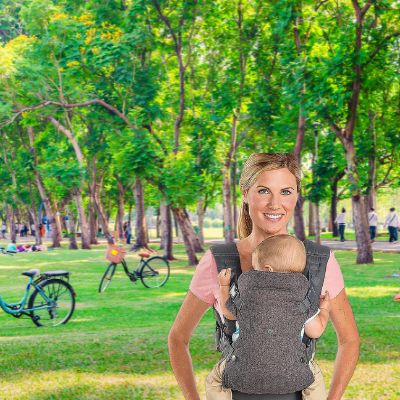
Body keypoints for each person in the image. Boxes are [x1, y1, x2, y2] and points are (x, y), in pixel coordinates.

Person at [168, 153, 360, 400]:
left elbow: (350, 340)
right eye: (263, 191)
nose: (275, 204)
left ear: (297, 197)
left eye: (286, 192)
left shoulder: (319, 261)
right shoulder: (219, 261)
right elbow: (177, 338)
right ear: (245, 194)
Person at [205, 234, 331, 400]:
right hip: (292, 374)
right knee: (315, 381)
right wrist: (324, 309)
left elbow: (228, 313)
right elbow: (316, 331)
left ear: (267, 269)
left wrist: (223, 286)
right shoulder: (302, 303)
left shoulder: (247, 298)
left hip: (243, 371)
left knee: (214, 380)